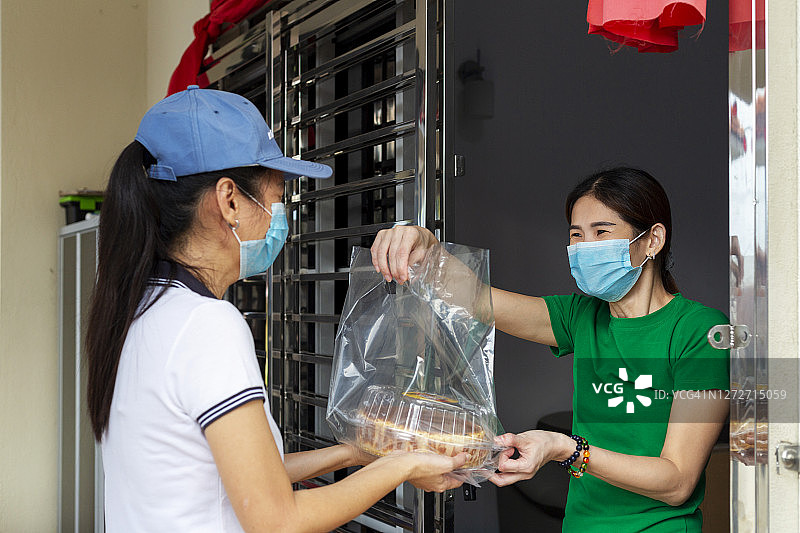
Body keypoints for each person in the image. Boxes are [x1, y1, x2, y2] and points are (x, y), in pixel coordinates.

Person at [86, 86, 465, 533]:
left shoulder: (140, 309)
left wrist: (353, 454)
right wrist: (402, 467)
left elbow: (228, 476)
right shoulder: (206, 325)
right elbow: (276, 520)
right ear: (229, 201)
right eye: (277, 195)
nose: (281, 215)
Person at [371, 167, 730, 532]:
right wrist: (425, 247)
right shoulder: (580, 316)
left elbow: (677, 482)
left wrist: (568, 449)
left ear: (652, 240)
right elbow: (477, 300)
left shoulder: (700, 331)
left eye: (601, 232)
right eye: (576, 235)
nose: (584, 247)